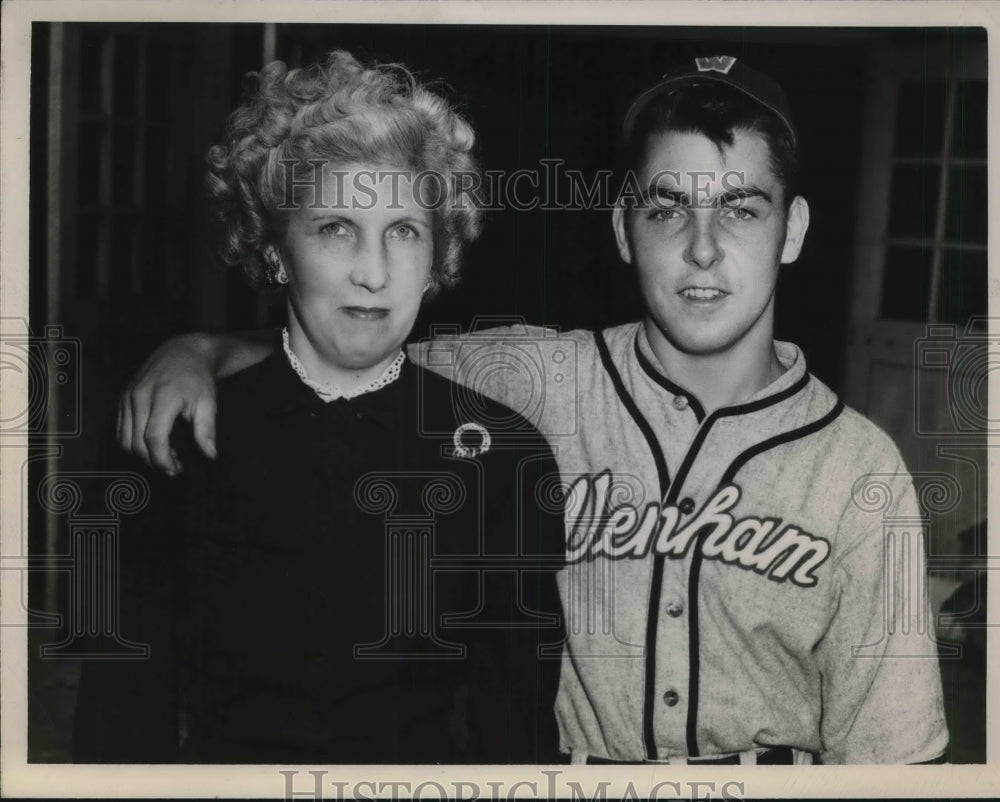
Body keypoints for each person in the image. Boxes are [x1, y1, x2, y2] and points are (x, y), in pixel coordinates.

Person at [114, 55, 949, 764]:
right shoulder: (534, 379)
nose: (702, 248)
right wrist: (200, 351)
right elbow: (346, 354)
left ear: (793, 230)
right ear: (624, 229)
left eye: (740, 208)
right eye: (666, 209)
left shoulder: (861, 470)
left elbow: (897, 760)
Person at [74, 50, 565, 764]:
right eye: (336, 227)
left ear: (438, 258)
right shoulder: (171, 435)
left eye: (404, 231)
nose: (373, 273)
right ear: (276, 250)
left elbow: (515, 738)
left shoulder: (502, 457)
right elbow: (119, 719)